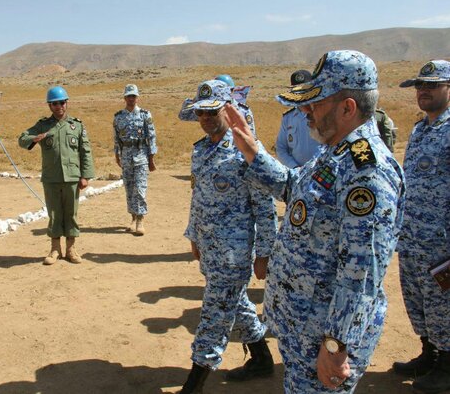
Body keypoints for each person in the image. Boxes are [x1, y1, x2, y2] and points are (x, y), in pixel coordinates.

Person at [224, 50, 405, 393]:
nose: (304, 111)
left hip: (325, 336)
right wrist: (253, 152)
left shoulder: (367, 172)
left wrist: (337, 346)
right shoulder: (335, 152)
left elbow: (362, 270)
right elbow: (296, 190)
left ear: (347, 108)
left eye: (315, 103)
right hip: (303, 326)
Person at [178, 80, 277, 393]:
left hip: (234, 252)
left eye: (212, 112)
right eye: (201, 113)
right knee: (235, 302)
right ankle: (261, 358)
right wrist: (194, 234)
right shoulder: (201, 150)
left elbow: (265, 207)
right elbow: (199, 196)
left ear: (227, 110)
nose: (205, 119)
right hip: (209, 246)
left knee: (215, 314)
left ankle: (196, 381)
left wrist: (264, 254)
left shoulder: (244, 151)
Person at [392, 59, 450, 394]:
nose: (423, 91)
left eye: (431, 85)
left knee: (444, 306)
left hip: (441, 243)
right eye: (419, 86)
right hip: (413, 238)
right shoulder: (420, 129)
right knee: (418, 301)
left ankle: (448, 365)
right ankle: (429, 354)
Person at [18, 86, 95, 265]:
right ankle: (55, 250)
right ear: (49, 106)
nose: (59, 106)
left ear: (66, 103)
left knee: (71, 214)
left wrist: (86, 176)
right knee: (54, 214)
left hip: (72, 178)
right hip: (51, 178)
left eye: (61, 102)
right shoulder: (43, 125)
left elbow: (85, 151)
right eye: (54, 103)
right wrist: (34, 139)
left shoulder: (77, 126)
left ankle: (71, 249)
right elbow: (22, 139)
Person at [113, 84, 157, 235]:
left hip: (141, 155)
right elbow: (116, 138)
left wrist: (151, 158)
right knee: (129, 189)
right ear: (125, 98)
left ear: (137, 98)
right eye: (129, 96)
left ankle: (140, 219)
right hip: (126, 156)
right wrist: (117, 155)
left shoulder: (145, 115)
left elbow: (151, 137)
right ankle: (132, 218)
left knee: (140, 188)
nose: (131, 99)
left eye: (134, 96)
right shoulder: (118, 117)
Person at [179, 74, 257, 137]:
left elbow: (250, 135)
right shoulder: (206, 109)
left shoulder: (242, 110)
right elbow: (184, 115)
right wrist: (199, 101)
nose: (206, 116)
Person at [275, 70, 321, 167]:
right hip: (296, 173)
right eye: (297, 90)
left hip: (320, 172)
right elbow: (281, 148)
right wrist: (294, 167)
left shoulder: (322, 114)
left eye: (305, 90)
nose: (301, 95)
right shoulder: (288, 118)